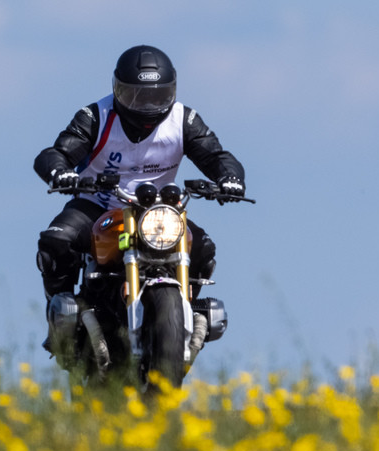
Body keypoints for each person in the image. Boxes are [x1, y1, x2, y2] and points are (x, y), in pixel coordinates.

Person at [33, 45, 246, 300]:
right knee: (57, 241)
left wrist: (230, 178)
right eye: (136, 96)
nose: (147, 105)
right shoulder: (95, 117)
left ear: (173, 91)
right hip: (97, 205)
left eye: (158, 96)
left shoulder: (183, 120)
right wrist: (60, 172)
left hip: (158, 212)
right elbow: (54, 154)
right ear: (117, 89)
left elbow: (215, 156)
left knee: (202, 248)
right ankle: (61, 316)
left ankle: (188, 310)